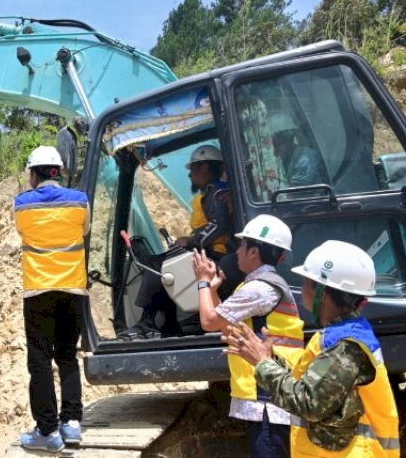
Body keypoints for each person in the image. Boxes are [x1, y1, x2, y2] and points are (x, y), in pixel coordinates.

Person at [223, 240, 400, 456]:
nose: (302, 290)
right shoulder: (342, 336)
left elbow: (307, 403)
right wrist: (270, 360)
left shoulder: (346, 346)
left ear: (321, 292)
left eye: (306, 282)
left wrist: (263, 364)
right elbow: (312, 382)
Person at [193, 214, 304, 458]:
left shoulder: (260, 289)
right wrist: (212, 289)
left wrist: (201, 282)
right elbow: (227, 326)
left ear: (254, 252)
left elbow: (209, 322)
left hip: (269, 400)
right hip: (266, 397)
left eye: (242, 246)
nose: (238, 252)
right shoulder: (254, 287)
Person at [14, 145, 89, 452]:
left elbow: (22, 233)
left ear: (34, 174)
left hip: (38, 291)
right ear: (59, 171)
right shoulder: (80, 201)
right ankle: (71, 424)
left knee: (40, 362)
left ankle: (47, 431)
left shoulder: (22, 204)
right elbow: (84, 232)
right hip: (73, 289)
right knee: (68, 355)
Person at [127, 144, 239, 339]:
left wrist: (191, 241)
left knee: (157, 265)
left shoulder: (216, 193)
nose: (189, 175)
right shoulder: (216, 192)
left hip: (215, 254)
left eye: (193, 169)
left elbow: (218, 224)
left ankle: (147, 323)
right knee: (168, 268)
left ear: (205, 167)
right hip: (212, 251)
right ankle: (170, 324)